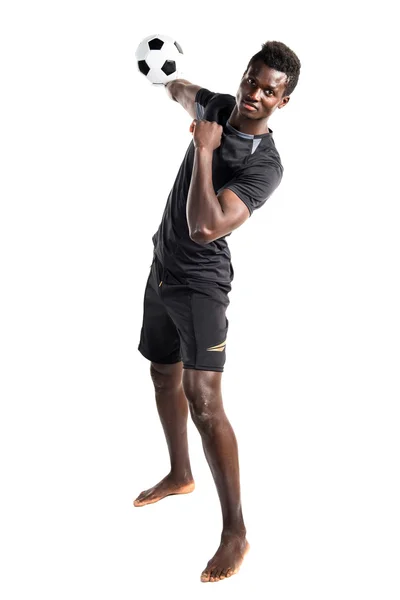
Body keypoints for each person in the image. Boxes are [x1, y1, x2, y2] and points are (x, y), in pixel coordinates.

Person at [135, 40, 301, 583]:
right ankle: (180, 473)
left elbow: (206, 226)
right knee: (163, 372)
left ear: (284, 101)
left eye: (268, 91)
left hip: (201, 283)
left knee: (204, 401)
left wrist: (206, 151)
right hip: (162, 265)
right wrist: (169, 83)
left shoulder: (265, 167)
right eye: (251, 81)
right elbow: (189, 95)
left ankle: (236, 532)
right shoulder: (217, 107)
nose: (254, 94)